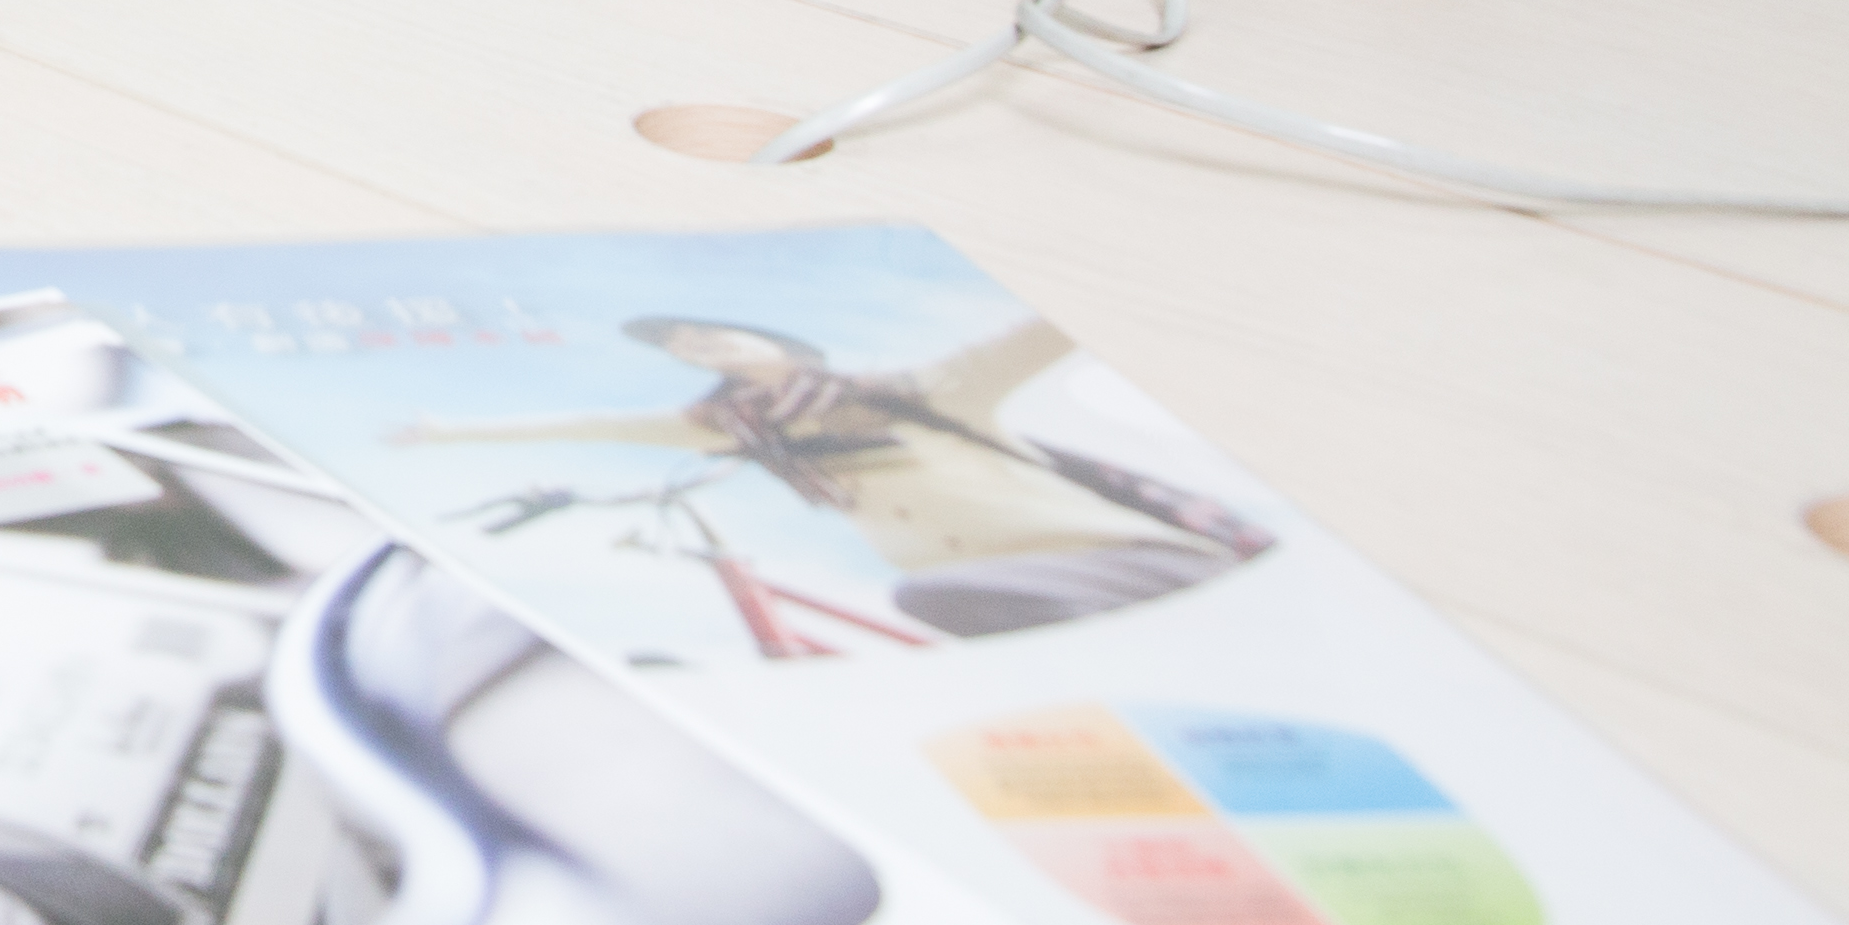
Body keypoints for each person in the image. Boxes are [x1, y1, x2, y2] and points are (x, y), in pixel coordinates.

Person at [394, 314, 1265, 642]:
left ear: (782, 346)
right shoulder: (728, 430)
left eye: (714, 338)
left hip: (1115, 556)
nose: (702, 352)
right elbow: (592, 427)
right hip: (986, 583)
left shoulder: (925, 392)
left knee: (939, 607)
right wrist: (441, 432)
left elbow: (1037, 335)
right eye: (690, 350)